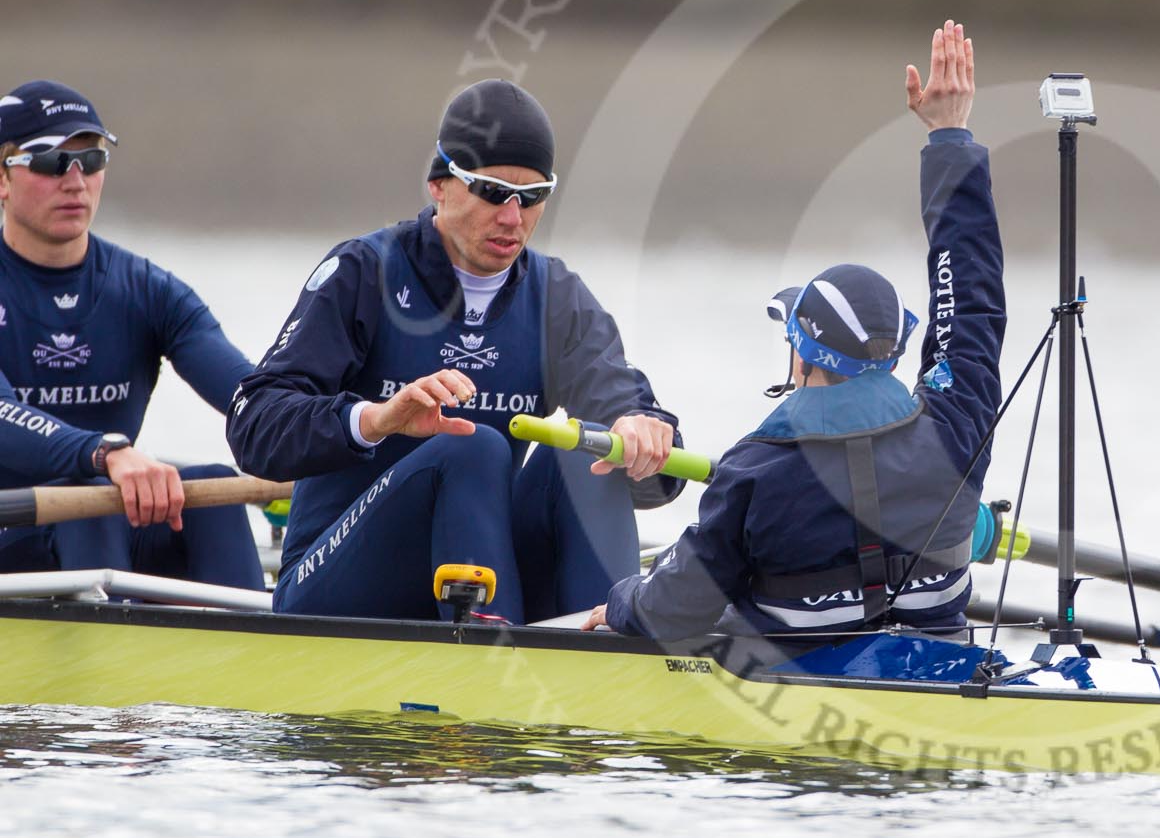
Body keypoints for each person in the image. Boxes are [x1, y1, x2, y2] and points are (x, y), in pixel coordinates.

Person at [592, 19, 1004, 641]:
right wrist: (950, 137)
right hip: (942, 668)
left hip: (798, 703)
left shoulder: (754, 473)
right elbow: (972, 298)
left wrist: (621, 600)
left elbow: (667, 610)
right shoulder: (956, 425)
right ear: (892, 354)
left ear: (803, 355)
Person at [228, 79, 684, 623]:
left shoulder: (557, 299)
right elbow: (253, 426)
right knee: (475, 448)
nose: (513, 219)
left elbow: (654, 477)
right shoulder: (363, 273)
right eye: (493, 192)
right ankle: (497, 667)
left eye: (533, 197)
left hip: (474, 571)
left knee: (591, 451)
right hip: (333, 579)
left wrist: (645, 432)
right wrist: (376, 420)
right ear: (439, 184)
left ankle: (613, 652)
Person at [0, 80, 263, 586]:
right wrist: (105, 451)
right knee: (87, 493)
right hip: (12, 533)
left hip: (99, 531)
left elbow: (251, 397)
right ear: (3, 179)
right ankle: (112, 654)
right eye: (52, 162)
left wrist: (354, 427)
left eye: (91, 161)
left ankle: (257, 656)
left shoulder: (146, 290)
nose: (75, 181)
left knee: (214, 487)